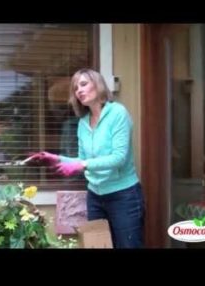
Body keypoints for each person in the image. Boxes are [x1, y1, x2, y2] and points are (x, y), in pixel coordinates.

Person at [29, 68, 145, 248]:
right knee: (98, 245)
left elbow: (119, 158)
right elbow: (82, 160)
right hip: (95, 197)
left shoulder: (117, 113)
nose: (79, 91)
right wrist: (56, 158)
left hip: (123, 196)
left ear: (98, 85)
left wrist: (82, 164)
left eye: (83, 84)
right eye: (76, 88)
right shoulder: (83, 122)